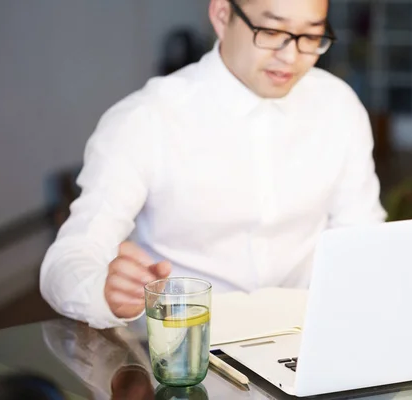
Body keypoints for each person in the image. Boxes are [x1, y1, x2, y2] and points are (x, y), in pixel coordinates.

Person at [40, 0, 386, 329]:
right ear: (222, 15)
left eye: (310, 36)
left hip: (302, 340)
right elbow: (70, 257)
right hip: (181, 352)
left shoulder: (337, 106)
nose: (291, 56)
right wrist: (102, 291)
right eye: (270, 32)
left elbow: (359, 234)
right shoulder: (146, 119)